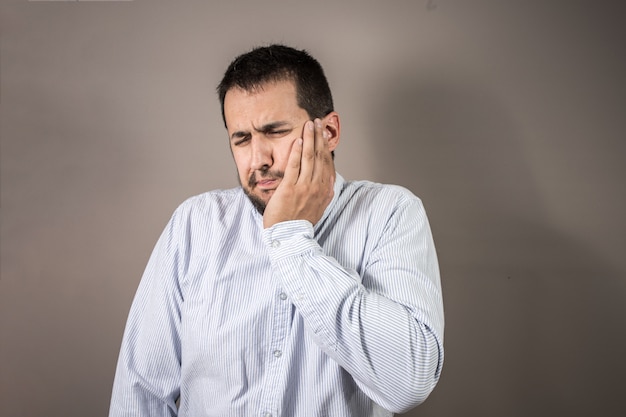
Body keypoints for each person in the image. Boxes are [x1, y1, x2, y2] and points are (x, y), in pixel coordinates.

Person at [109, 44, 444, 417]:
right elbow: (139, 396)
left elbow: (408, 382)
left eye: (275, 131)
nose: (258, 159)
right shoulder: (194, 225)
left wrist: (290, 238)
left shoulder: (390, 214)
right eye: (242, 138)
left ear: (329, 131)